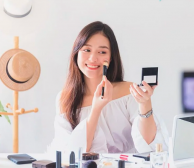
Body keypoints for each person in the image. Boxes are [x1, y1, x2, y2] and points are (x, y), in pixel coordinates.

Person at [47, 21, 169, 158]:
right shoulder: (65, 98)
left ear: (110, 58)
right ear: (76, 54)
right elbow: (73, 154)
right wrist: (96, 109)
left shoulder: (129, 91)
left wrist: (145, 104)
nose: (93, 58)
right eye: (86, 50)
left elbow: (149, 145)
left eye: (102, 52)